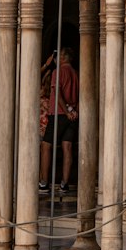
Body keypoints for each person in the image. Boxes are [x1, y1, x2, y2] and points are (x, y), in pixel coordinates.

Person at [39, 47, 79, 196]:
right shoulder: (76, 73)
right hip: (72, 116)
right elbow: (81, 96)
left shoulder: (58, 72)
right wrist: (75, 112)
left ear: (62, 57)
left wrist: (67, 111)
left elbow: (57, 94)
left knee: (46, 146)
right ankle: (64, 184)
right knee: (67, 147)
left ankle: (44, 183)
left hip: (59, 114)